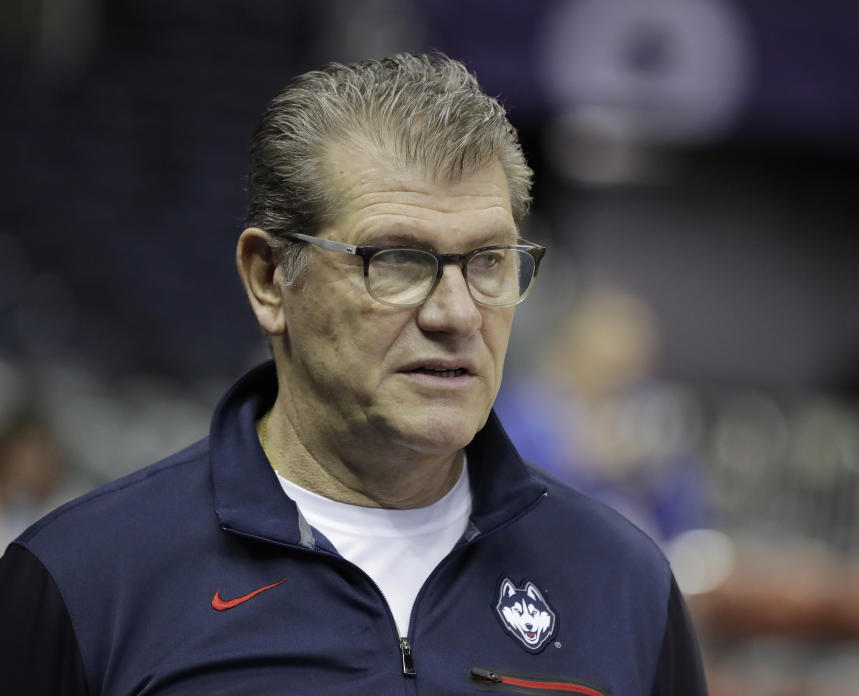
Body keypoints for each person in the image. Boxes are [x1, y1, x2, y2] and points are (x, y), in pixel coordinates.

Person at [0, 53, 707, 695]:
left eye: (489, 260)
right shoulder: (85, 581)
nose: (457, 313)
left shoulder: (624, 584)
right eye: (397, 259)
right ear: (271, 279)